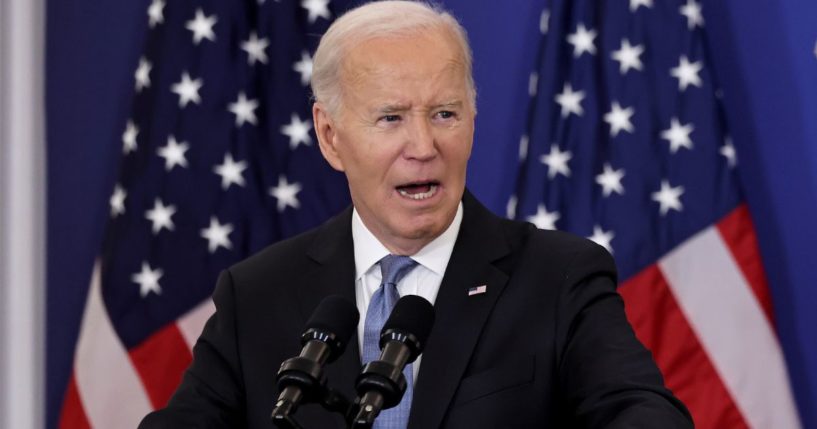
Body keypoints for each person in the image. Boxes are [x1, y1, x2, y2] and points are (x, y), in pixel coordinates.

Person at [140, 1, 692, 427]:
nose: (424, 145)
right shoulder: (257, 294)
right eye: (391, 118)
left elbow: (645, 415)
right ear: (330, 136)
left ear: (473, 119)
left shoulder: (559, 279)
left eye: (445, 113)